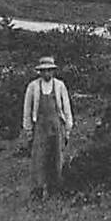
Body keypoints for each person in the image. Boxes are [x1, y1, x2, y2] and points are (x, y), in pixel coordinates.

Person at [21, 56, 73, 200]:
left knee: (56, 157)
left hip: (56, 126)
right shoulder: (33, 87)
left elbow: (66, 107)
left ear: (53, 71)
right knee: (39, 158)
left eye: (50, 71)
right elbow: (27, 109)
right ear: (40, 72)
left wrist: (68, 127)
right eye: (44, 71)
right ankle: (37, 190)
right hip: (40, 127)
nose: (47, 74)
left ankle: (54, 189)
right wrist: (28, 129)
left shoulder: (59, 86)